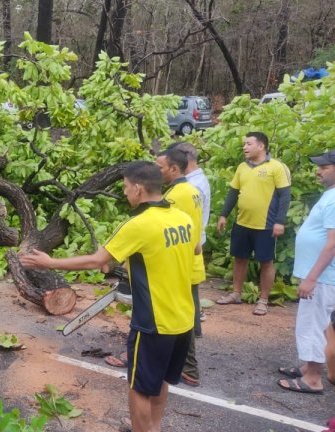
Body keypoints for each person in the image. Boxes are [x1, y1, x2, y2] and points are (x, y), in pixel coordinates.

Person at [19, 161, 195, 432]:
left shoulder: (139, 224)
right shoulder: (183, 218)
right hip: (184, 317)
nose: (124, 193)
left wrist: (49, 262)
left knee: (139, 387)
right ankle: (153, 428)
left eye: (125, 188)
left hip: (154, 321)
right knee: (160, 381)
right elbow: (191, 251)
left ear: (138, 188)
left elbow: (96, 261)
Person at [277, 150, 335, 394]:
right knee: (314, 324)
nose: (318, 171)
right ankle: (308, 366)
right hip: (318, 276)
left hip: (321, 278)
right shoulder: (329, 196)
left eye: (324, 167)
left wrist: (311, 278)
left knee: (314, 325)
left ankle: (313, 378)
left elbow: (332, 242)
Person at [216, 132, 291, 315]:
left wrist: (280, 221)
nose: (245, 147)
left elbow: (285, 196)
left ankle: (263, 300)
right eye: (244, 144)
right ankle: (236, 293)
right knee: (239, 258)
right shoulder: (242, 167)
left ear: (261, 146)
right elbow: (233, 193)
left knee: (266, 262)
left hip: (266, 225)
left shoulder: (276, 167)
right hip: (242, 222)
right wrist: (224, 215)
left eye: (249, 144)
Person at [155, 147, 205, 388]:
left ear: (174, 169)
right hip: (192, 259)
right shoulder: (191, 190)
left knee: (181, 316)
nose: (156, 171)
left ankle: (190, 368)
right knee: (185, 313)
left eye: (160, 167)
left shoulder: (175, 197)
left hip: (181, 264)